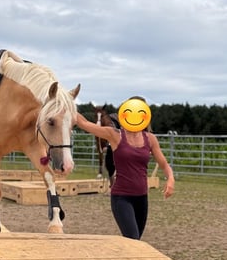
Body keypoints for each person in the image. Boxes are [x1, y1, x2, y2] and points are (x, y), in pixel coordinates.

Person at [74, 96, 174, 239]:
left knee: (136, 240)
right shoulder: (115, 135)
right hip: (122, 198)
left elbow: (164, 164)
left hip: (142, 198)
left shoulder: (150, 139)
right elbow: (84, 123)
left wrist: (170, 178)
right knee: (132, 238)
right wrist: (67, 104)